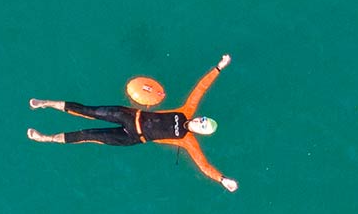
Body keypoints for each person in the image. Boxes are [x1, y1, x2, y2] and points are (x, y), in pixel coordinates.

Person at [27, 54, 237, 192]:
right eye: (203, 119)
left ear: (201, 132)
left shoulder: (187, 141)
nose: (199, 121)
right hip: (129, 116)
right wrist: (218, 67)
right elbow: (201, 88)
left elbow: (203, 165)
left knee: (88, 134)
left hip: (132, 138)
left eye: (202, 125)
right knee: (88, 110)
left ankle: (45, 138)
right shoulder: (186, 111)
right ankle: (45, 103)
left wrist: (222, 179)